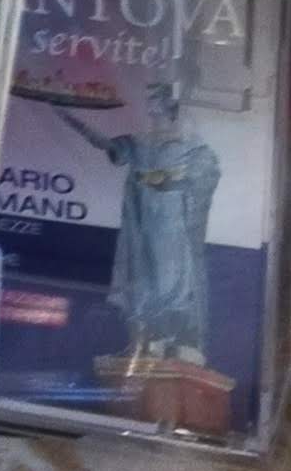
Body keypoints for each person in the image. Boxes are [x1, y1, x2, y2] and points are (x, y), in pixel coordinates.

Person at [61, 82, 222, 367]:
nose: (149, 104)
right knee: (141, 281)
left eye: (154, 98)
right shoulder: (139, 142)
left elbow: (204, 174)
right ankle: (147, 343)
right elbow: (107, 145)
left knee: (173, 283)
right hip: (142, 223)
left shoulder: (192, 145)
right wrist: (71, 119)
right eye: (148, 98)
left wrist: (168, 181)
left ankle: (178, 342)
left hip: (173, 225)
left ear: (168, 104)